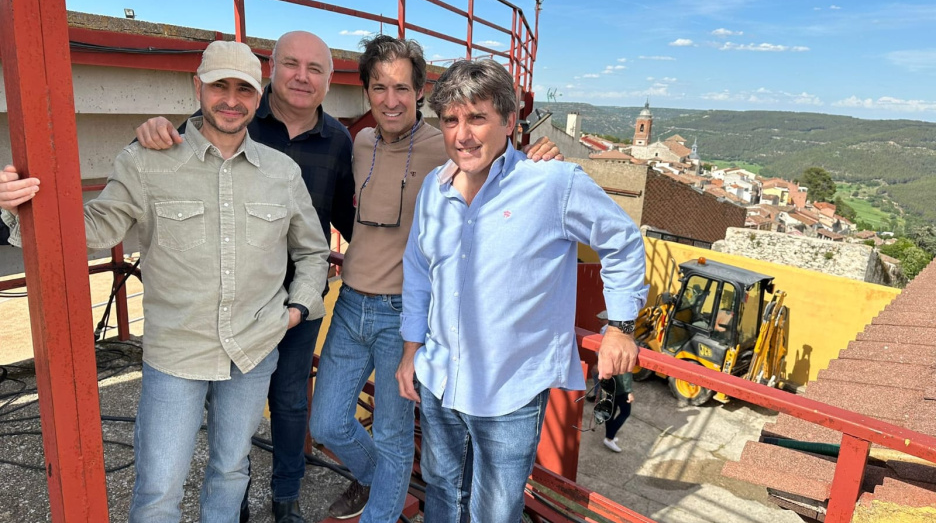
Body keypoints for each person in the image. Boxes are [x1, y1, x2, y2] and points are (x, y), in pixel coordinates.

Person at [0, 41, 331, 522]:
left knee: (231, 470)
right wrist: (18, 208)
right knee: (159, 488)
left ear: (258, 98)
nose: (231, 99)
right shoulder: (145, 160)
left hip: (256, 347)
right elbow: (93, 230)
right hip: (178, 352)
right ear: (197, 87)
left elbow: (312, 250)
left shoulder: (282, 172)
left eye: (244, 89)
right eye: (220, 85)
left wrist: (297, 309)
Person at [307, 35, 561, 522]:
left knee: (393, 435)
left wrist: (539, 158)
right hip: (351, 302)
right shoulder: (360, 142)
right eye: (379, 87)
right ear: (366, 93)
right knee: (328, 421)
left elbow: (496, 167)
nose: (391, 99)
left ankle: (380, 512)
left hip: (405, 312)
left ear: (420, 91)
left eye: (402, 87)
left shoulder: (443, 146)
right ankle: (372, 479)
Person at [396, 58, 648, 522]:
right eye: (450, 120)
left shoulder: (553, 182)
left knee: (494, 511)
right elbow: (417, 269)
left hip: (509, 391)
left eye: (477, 118)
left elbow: (623, 240)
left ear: (510, 121)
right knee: (441, 490)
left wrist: (620, 326)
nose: (462, 134)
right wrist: (412, 349)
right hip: (438, 378)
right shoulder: (435, 186)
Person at [133, 31, 354, 523]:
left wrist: (303, 304)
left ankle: (286, 497)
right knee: (188, 464)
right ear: (270, 73)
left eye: (315, 68)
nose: (302, 76)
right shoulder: (220, 125)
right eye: (291, 64)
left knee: (289, 404)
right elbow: (176, 155)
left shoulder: (337, 140)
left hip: (283, 313)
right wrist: (147, 133)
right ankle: (238, 512)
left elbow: (344, 223)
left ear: (328, 79)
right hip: (207, 320)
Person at [601, 372, 635, 453]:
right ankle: (609, 438)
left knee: (611, 411)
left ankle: (609, 436)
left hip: (610, 383)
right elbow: (626, 372)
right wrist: (629, 392)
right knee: (625, 412)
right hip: (621, 388)